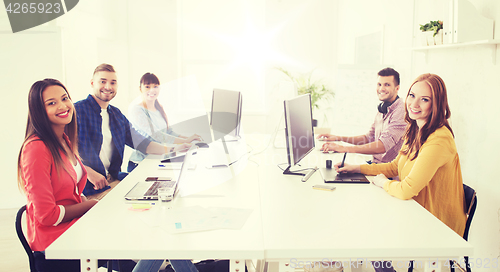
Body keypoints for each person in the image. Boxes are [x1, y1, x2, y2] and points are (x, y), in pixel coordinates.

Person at [335, 73, 466, 272]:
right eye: (412, 95)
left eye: (425, 99)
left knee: (369, 230)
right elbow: (394, 167)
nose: (414, 103)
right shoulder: (415, 129)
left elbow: (407, 189)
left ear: (437, 103)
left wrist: (382, 183)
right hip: (415, 209)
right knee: (364, 222)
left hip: (436, 223)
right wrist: (357, 169)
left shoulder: (439, 139)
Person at [17, 78, 131, 271]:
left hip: (73, 228)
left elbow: (70, 193)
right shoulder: (36, 148)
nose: (63, 106)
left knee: (128, 229)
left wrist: (94, 204)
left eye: (64, 98)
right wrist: (91, 205)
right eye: (51, 103)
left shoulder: (63, 140)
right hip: (55, 242)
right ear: (38, 111)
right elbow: (47, 216)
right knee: (127, 245)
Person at [74, 64, 191, 198]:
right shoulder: (77, 111)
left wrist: (177, 149)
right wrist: (86, 172)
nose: (108, 87)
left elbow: (143, 144)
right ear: (92, 83)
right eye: (103, 81)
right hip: (89, 189)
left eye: (113, 82)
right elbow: (62, 151)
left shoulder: (116, 115)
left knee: (167, 192)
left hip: (114, 181)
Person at [319, 68, 406, 164]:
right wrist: (338, 138)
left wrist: (344, 148)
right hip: (375, 164)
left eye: (387, 85)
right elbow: (368, 138)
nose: (381, 89)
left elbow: (383, 146)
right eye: (379, 84)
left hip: (388, 173)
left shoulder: (401, 111)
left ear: (397, 88)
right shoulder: (382, 108)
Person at [127, 72, 202, 172]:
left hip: (159, 159)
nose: (152, 90)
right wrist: (185, 141)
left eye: (155, 86)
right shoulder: (137, 110)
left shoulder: (158, 108)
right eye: (147, 86)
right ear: (140, 89)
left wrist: (190, 139)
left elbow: (169, 132)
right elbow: (156, 135)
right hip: (141, 162)